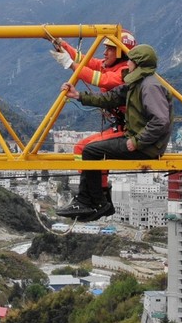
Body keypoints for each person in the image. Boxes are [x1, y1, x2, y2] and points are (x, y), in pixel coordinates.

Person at [55, 44, 173, 221]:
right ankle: (96, 201)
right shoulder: (136, 83)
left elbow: (161, 121)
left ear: (138, 63)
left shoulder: (149, 86)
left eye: (131, 60)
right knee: (90, 150)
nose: (128, 63)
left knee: (90, 151)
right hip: (141, 141)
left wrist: (137, 141)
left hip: (145, 147)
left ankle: (93, 202)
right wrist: (79, 96)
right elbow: (109, 98)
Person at [47, 30, 137, 219]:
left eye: (110, 50)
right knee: (87, 150)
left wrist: (70, 64)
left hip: (130, 131)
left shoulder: (125, 73)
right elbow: (88, 60)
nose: (105, 54)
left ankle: (90, 199)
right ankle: (100, 196)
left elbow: (101, 80)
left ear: (121, 52)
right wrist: (64, 46)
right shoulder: (113, 66)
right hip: (123, 127)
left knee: (84, 148)